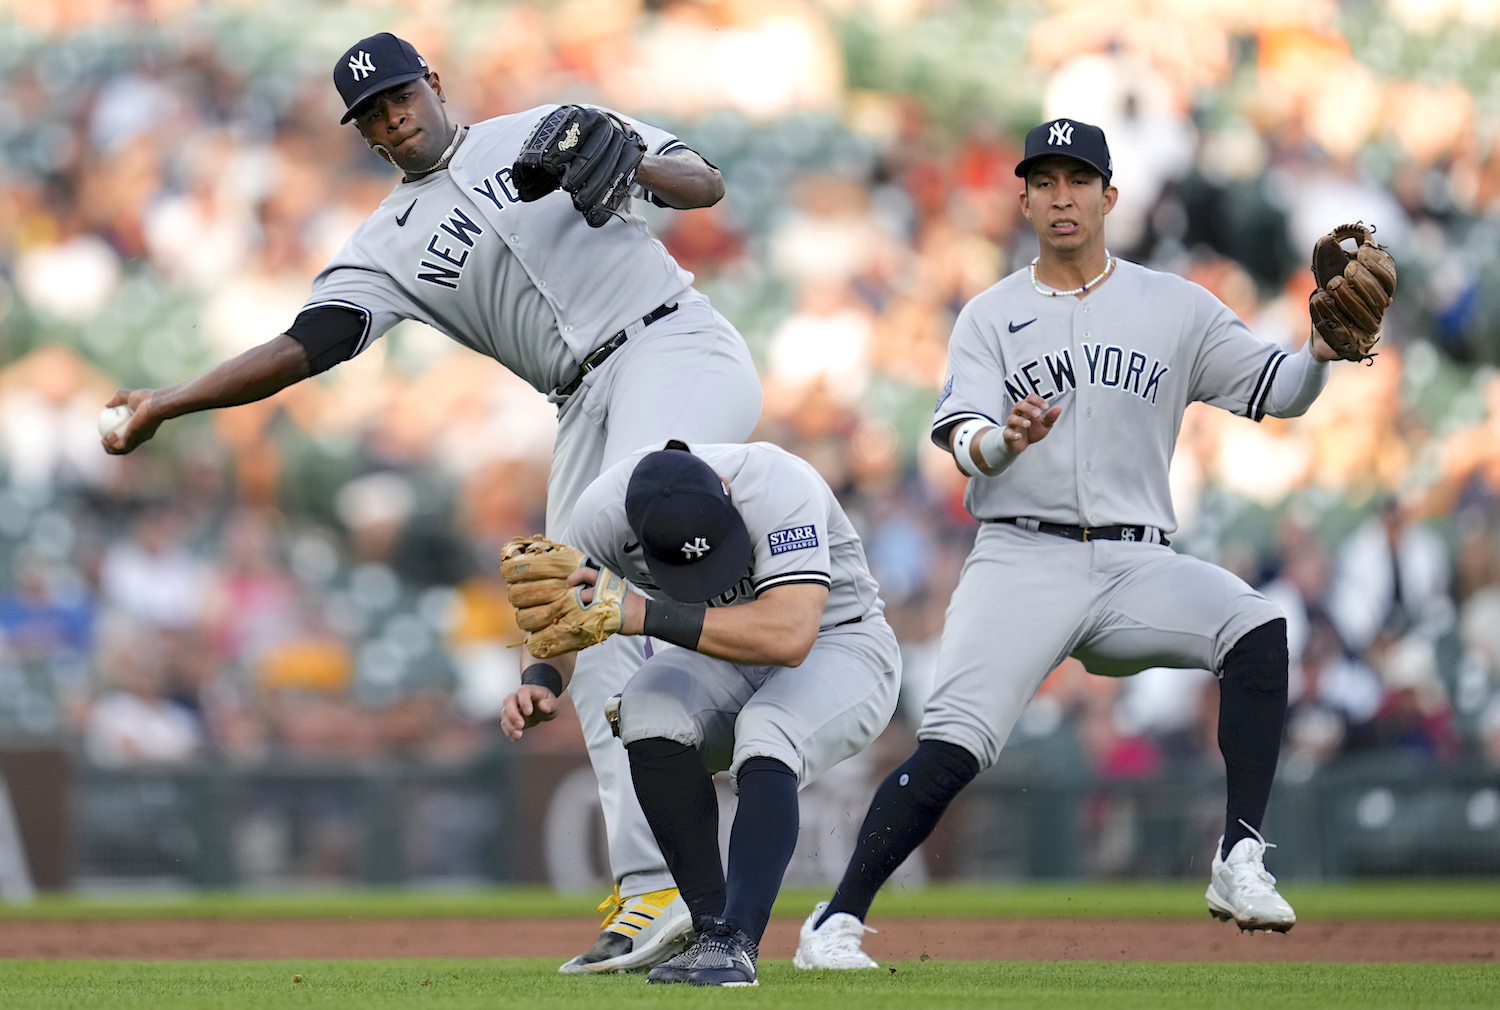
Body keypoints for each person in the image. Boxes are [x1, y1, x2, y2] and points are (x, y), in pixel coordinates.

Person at [100, 32, 762, 974]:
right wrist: (172, 400)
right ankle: (654, 887)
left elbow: (703, 186)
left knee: (619, 533)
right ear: (362, 134)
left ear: (432, 84)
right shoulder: (385, 244)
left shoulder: (543, 126)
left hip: (674, 345)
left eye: (400, 94)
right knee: (577, 623)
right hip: (580, 400)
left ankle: (743, 648)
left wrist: (629, 161)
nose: (391, 116)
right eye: (370, 113)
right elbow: (309, 342)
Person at [794, 118, 1355, 969]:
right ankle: (834, 922)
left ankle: (1240, 856)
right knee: (951, 748)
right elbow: (963, 438)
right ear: (1022, 198)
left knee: (1258, 629)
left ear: (1109, 196)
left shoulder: (1173, 305)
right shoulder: (989, 316)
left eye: (1078, 179)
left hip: (1137, 560)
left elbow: (1280, 391)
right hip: (1022, 557)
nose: (1062, 196)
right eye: (1045, 180)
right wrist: (1006, 443)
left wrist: (1319, 347)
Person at [500, 440, 900, 986]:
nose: (710, 573)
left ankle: (737, 943)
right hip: (724, 653)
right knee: (644, 706)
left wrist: (642, 613)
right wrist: (540, 680)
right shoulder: (600, 514)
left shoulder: (777, 482)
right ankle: (711, 932)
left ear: (726, 494)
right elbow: (558, 613)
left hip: (842, 644)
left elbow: (790, 635)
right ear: (635, 533)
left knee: (768, 730)